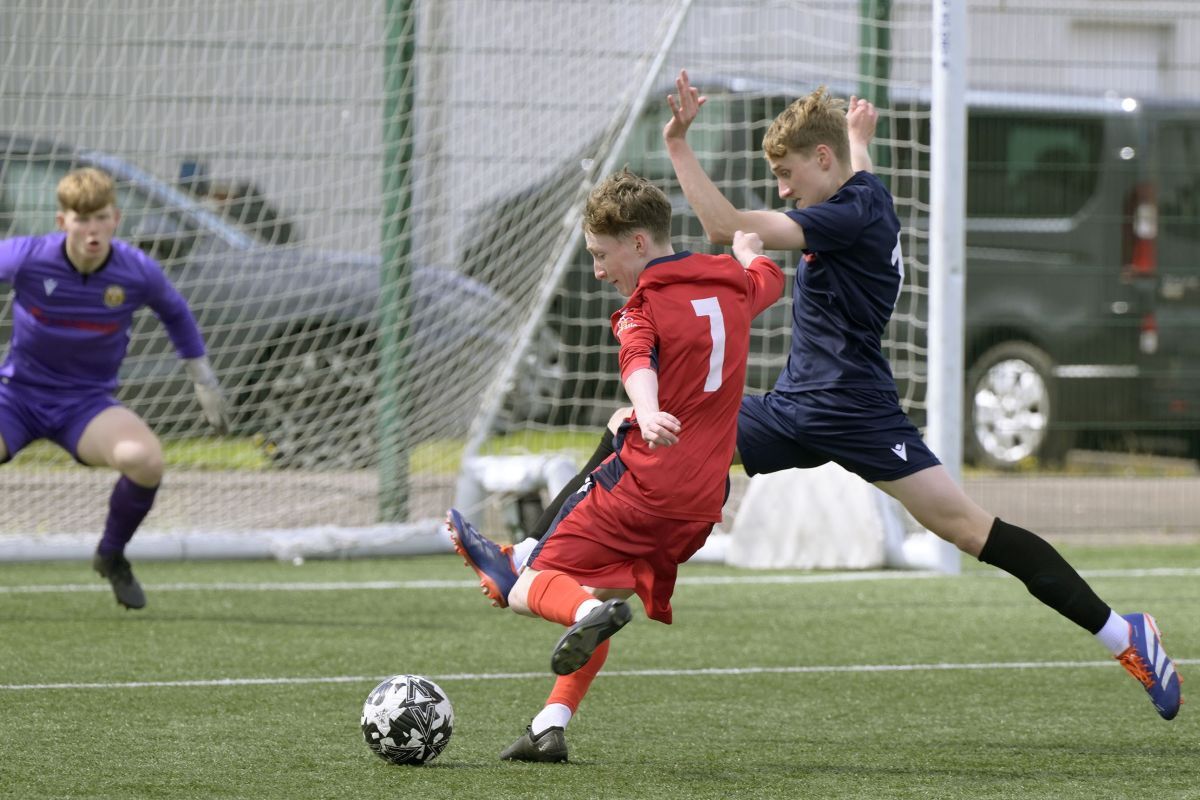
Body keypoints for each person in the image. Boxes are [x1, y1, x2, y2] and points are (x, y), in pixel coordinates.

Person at [659, 69, 1180, 720]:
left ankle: (1125, 636)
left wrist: (679, 143)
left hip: (858, 413)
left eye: (788, 173)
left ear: (822, 161)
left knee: (970, 531)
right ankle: (538, 558)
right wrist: (857, 137)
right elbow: (853, 179)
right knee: (653, 429)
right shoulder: (862, 191)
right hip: (796, 409)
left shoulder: (846, 214)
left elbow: (726, 224)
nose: (783, 189)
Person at [448, 167, 785, 762]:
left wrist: (650, 410)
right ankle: (549, 725)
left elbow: (637, 363)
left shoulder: (642, 308)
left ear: (638, 243)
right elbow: (769, 279)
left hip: (644, 489)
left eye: (602, 255)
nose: (599, 271)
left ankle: (523, 566)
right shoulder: (732, 284)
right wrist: (749, 248)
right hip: (702, 507)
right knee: (593, 581)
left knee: (527, 590)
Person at [0, 166, 229, 610]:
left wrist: (203, 377)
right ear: (61, 221)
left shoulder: (136, 270)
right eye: (81, 219)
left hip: (85, 406)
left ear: (116, 219)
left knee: (144, 461)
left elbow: (176, 314)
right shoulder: (27, 257)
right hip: (17, 396)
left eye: (101, 217)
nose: (92, 229)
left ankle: (111, 555)